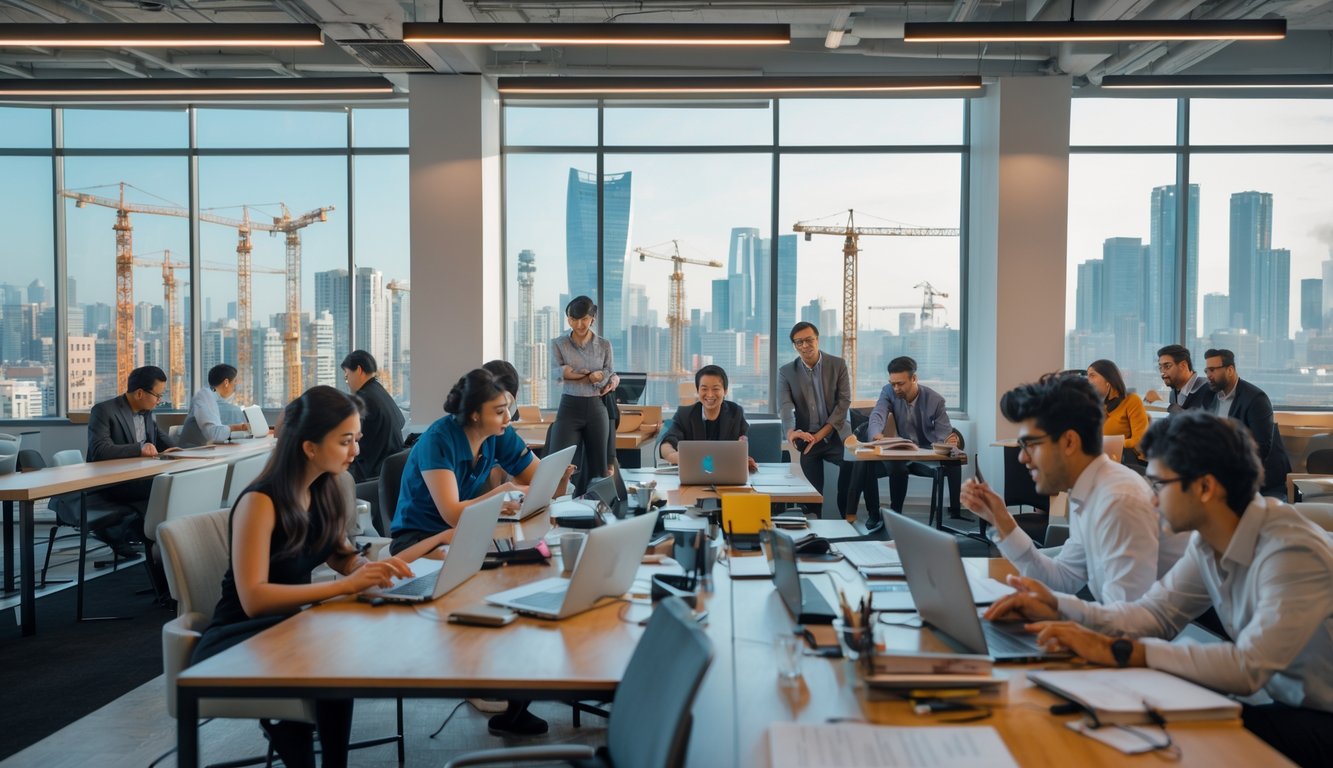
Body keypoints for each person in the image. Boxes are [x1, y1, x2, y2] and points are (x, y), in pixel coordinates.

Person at [984, 411, 1333, 767]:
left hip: (1322, 715)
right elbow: (1155, 615)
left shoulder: (1290, 550)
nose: (1152, 500)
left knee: (1187, 740)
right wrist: (1058, 607)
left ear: (1205, 487)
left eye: (1159, 485)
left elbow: (1247, 667)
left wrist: (1123, 651)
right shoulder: (1207, 541)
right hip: (1289, 702)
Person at [190, 386, 414, 768]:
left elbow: (342, 556)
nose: (356, 451)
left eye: (357, 439)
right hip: (239, 637)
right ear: (310, 447)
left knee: (339, 660)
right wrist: (346, 586)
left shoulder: (324, 489)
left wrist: (366, 570)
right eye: (345, 441)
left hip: (289, 627)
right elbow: (253, 599)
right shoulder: (260, 501)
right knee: (331, 661)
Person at [390, 367, 571, 735]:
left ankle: (516, 695)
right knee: (494, 577)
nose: (507, 418)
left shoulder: (497, 434)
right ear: (475, 414)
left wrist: (558, 478)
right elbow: (450, 512)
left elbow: (538, 480)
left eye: (508, 409)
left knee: (531, 566)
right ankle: (479, 676)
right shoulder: (439, 440)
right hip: (422, 538)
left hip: (467, 532)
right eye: (499, 411)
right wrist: (501, 492)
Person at [961, 374, 1187, 603]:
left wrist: (1056, 612)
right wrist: (1001, 519)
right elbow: (1062, 578)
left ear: (1069, 442)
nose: (1022, 457)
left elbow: (1127, 615)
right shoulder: (1090, 489)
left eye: (1030, 445)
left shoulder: (1118, 500)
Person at [858, 356, 960, 533]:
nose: (896, 388)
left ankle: (952, 513)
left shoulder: (935, 400)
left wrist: (948, 441)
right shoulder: (888, 392)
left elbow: (944, 434)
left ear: (914, 379)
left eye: (900, 383)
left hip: (925, 454)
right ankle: (876, 514)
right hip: (901, 451)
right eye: (892, 383)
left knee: (953, 460)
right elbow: (878, 415)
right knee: (870, 464)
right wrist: (876, 435)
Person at [85, 365, 177, 556]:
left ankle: (163, 542)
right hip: (112, 483)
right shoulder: (104, 411)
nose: (159, 400)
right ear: (140, 393)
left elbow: (159, 437)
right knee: (164, 486)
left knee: (172, 483)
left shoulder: (147, 412)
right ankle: (155, 543)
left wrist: (178, 451)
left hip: (138, 478)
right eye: (158, 395)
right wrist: (139, 449)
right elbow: (99, 451)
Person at [777, 322, 852, 518]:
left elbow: (844, 402)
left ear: (817, 340)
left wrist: (820, 435)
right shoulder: (786, 371)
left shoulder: (838, 365)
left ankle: (847, 516)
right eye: (799, 342)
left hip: (836, 434)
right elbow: (785, 406)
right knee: (811, 492)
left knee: (851, 466)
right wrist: (791, 432)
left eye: (809, 340)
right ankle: (813, 520)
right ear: (794, 345)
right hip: (808, 438)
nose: (804, 346)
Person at [1203, 348, 1291, 500]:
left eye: (1212, 370)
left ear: (1230, 370)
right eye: (1206, 371)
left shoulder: (1256, 399)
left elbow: (1261, 448)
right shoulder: (1211, 396)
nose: (1208, 375)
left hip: (1257, 478)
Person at [549, 296, 615, 496]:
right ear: (568, 319)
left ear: (592, 318)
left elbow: (609, 373)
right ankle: (557, 507)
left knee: (599, 468)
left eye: (584, 319)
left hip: (596, 407)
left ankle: (599, 509)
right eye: (573, 319)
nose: (579, 324)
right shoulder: (559, 343)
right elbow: (554, 373)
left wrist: (595, 376)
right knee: (558, 464)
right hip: (569, 407)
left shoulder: (604, 345)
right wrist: (582, 374)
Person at [660, 364, 757, 472]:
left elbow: (744, 440)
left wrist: (743, 456)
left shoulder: (735, 412)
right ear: (698, 391)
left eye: (715, 389)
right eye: (704, 389)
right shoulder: (684, 414)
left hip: (726, 474)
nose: (710, 395)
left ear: (725, 391)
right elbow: (667, 443)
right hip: (693, 474)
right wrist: (674, 456)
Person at [341, 350, 405, 482]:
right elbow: (401, 420)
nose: (347, 383)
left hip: (372, 474)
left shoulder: (363, 398)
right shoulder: (379, 391)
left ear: (359, 370)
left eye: (347, 377)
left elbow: (350, 439)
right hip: (391, 469)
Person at [1086, 359, 1149, 464]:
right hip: (1103, 459)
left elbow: (1140, 440)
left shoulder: (1132, 400)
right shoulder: (1095, 404)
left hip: (1126, 460)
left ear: (1108, 379)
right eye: (1088, 376)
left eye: (1092, 375)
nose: (1088, 381)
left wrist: (1109, 444)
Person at [179, 364, 248, 448]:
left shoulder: (212, 397)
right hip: (191, 451)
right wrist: (240, 427)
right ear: (226, 382)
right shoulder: (204, 397)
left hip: (203, 449)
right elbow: (213, 434)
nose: (235, 387)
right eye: (235, 382)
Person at [1146, 344, 1210, 412]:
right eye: (1160, 367)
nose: (1162, 372)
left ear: (1183, 365)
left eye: (1167, 366)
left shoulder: (1209, 390)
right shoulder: (1173, 393)